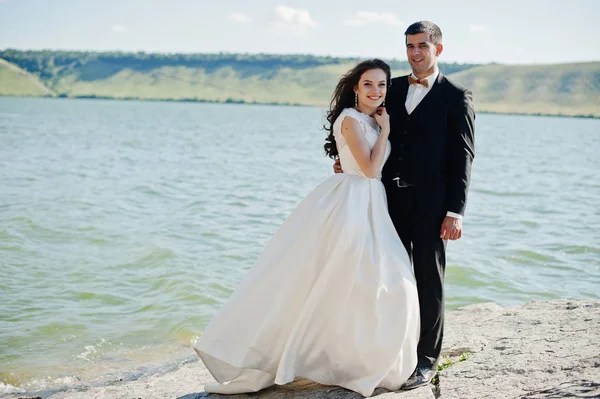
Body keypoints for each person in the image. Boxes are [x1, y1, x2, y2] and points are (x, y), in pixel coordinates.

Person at [193, 59, 420, 397]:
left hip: (372, 204)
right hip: (352, 204)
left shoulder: (370, 120)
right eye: (369, 84)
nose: (376, 91)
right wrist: (385, 130)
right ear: (355, 88)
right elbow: (371, 170)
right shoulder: (350, 120)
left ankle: (349, 356)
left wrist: (381, 129)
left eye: (382, 85)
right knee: (339, 277)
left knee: (372, 282)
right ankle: (304, 356)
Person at [334, 21, 475, 390]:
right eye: (410, 46)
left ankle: (426, 360)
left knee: (429, 279)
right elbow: (357, 123)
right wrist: (342, 159)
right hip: (387, 200)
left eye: (422, 46)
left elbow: (463, 157)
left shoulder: (456, 97)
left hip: (432, 206)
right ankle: (389, 351)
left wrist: (455, 211)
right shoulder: (390, 88)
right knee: (387, 278)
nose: (415, 53)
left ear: (438, 50)